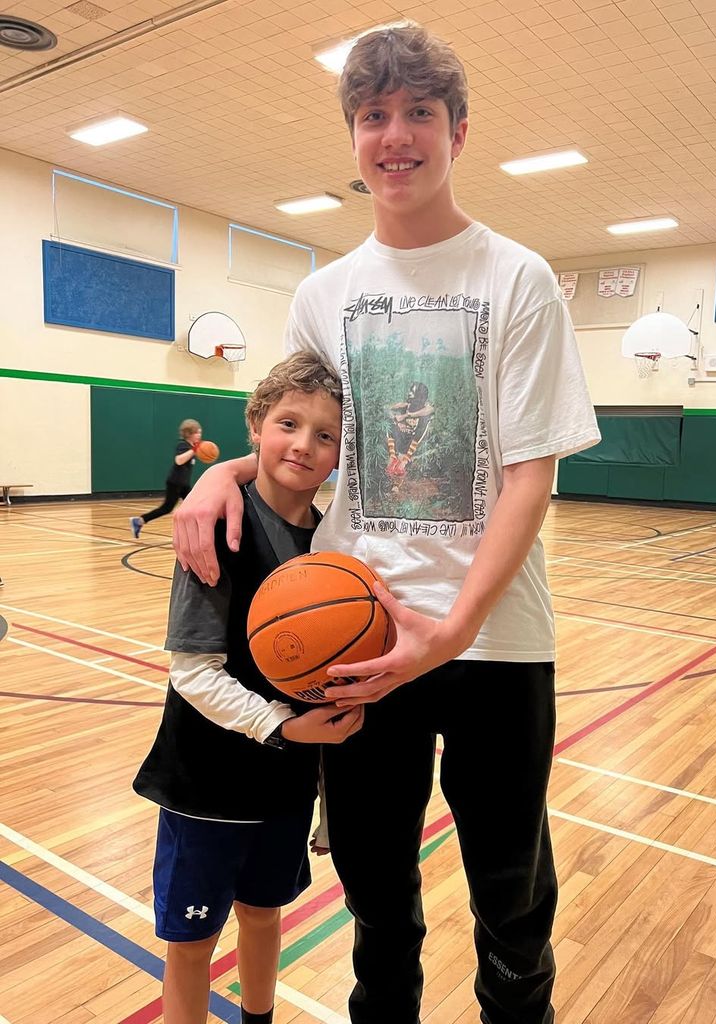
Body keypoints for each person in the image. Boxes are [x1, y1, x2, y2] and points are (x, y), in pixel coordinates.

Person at [172, 23, 600, 1024]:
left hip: (492, 640)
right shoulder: (325, 294)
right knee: (375, 899)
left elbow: (529, 478)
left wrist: (449, 630)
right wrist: (216, 476)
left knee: (510, 896)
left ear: (458, 130)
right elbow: (300, 440)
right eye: (373, 116)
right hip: (353, 631)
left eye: (418, 113)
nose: (394, 135)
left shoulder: (519, 277)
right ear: (353, 135)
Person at [133, 353, 362, 1024]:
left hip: (283, 784)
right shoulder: (216, 528)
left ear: (340, 454)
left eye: (326, 435)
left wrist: (317, 779)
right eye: (289, 422)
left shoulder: (332, 545)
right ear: (256, 424)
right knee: (192, 941)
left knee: (263, 915)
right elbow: (193, 672)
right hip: (205, 783)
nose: (304, 444)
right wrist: (280, 727)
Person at [129, 419, 203, 539]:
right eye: (197, 433)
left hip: (184, 485)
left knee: (196, 506)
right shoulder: (183, 445)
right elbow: (179, 460)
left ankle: (193, 532)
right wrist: (194, 450)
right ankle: (139, 521)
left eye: (200, 433)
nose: (199, 435)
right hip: (174, 483)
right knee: (166, 508)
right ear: (189, 433)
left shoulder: (190, 447)